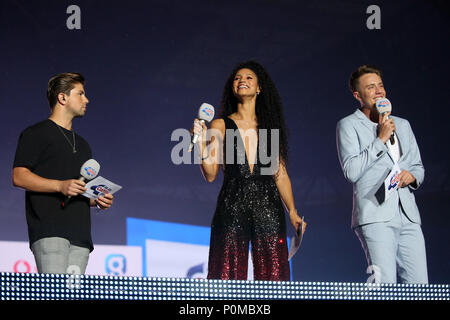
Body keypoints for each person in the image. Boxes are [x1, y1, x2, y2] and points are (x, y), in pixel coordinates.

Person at [191, 61, 305, 281]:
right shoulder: (219, 125)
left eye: (249, 77)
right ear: (232, 88)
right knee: (225, 275)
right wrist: (199, 143)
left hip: (269, 205)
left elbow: (279, 173)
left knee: (274, 277)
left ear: (259, 88)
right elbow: (211, 174)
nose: (242, 80)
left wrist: (292, 210)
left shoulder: (269, 126)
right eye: (237, 78)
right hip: (232, 203)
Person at [12, 72, 114, 275]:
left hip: (81, 237)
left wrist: (98, 199)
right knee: (54, 295)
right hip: (50, 232)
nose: (87, 99)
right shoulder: (35, 134)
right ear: (62, 97)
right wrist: (60, 185)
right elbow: (19, 176)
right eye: (81, 94)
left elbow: (81, 191)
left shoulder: (84, 145)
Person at [336, 65, 428, 283]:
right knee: (384, 285)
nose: (378, 91)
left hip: (408, 215)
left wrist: (412, 177)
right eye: (370, 87)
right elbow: (351, 171)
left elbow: (418, 167)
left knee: (420, 287)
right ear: (358, 95)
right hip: (375, 215)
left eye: (381, 85)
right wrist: (380, 139)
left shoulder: (403, 125)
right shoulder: (348, 125)